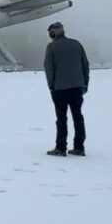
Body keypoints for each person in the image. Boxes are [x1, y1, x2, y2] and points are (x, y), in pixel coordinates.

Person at [44, 22, 89, 156]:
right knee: (78, 116)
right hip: (77, 87)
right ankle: (79, 147)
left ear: (52, 33)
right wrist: (85, 83)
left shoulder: (51, 47)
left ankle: (61, 147)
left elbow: (49, 68)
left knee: (61, 118)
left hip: (60, 89)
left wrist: (51, 85)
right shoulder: (77, 44)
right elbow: (85, 65)